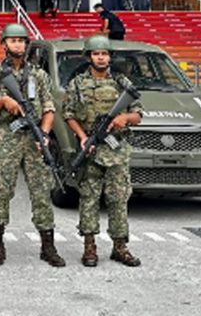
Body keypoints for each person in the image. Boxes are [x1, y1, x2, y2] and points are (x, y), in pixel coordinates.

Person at [0, 24, 66, 268]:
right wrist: (3, 100)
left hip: (34, 136)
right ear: (3, 44)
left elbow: (49, 108)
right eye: (12, 40)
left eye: (21, 41)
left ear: (27, 45)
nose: (17, 45)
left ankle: (48, 246)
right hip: (8, 136)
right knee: (2, 190)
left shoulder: (38, 75)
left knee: (41, 192)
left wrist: (45, 133)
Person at [64, 35, 144, 267]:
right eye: (96, 54)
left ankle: (120, 247)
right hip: (91, 150)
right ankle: (90, 247)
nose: (101, 58)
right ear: (89, 57)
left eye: (104, 54)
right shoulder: (77, 83)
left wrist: (124, 117)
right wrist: (82, 137)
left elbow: (138, 115)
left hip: (117, 151)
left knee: (118, 199)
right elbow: (68, 114)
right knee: (89, 199)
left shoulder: (122, 83)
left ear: (110, 57)